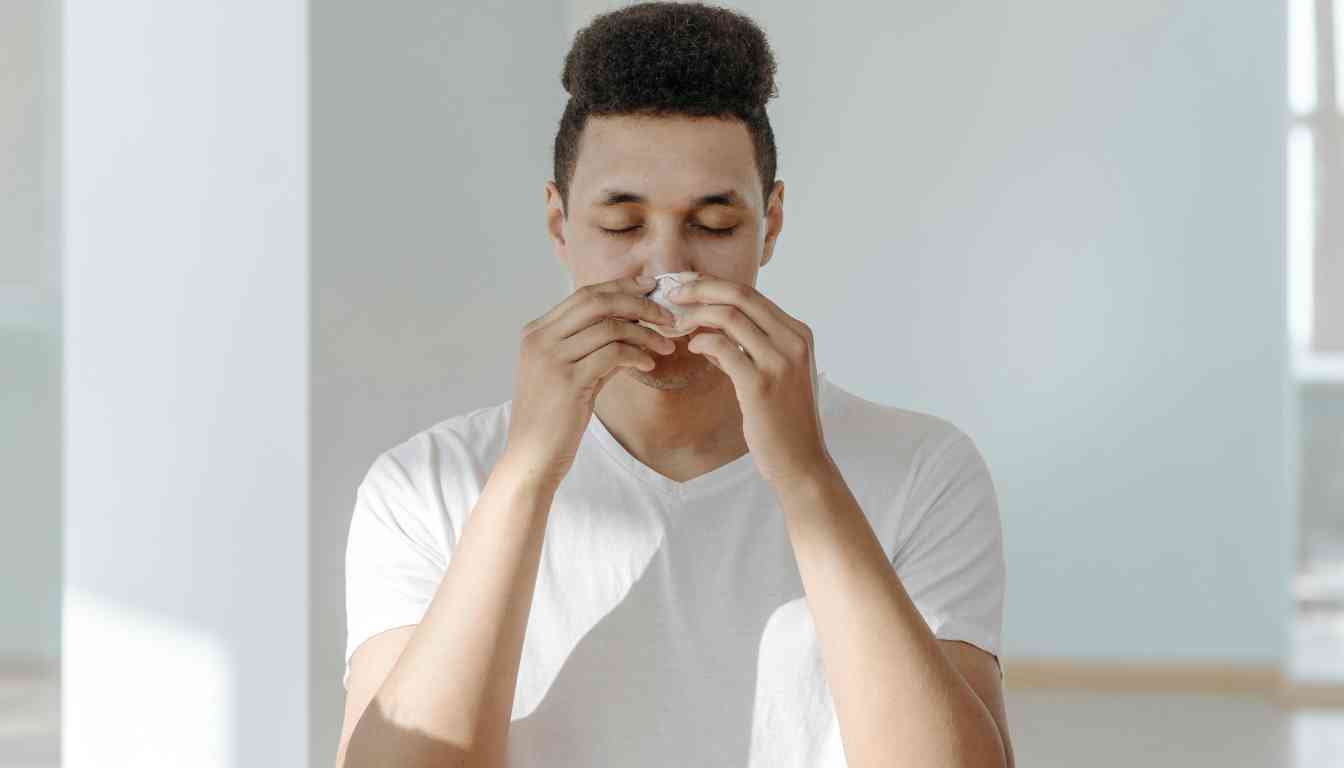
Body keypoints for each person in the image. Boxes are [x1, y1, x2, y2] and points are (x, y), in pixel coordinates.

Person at [336, 3, 1012, 766]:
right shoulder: (424, 486)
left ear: (772, 222)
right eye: (622, 225)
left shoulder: (922, 469)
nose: (666, 269)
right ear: (559, 224)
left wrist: (805, 474)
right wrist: (526, 474)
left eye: (715, 225)